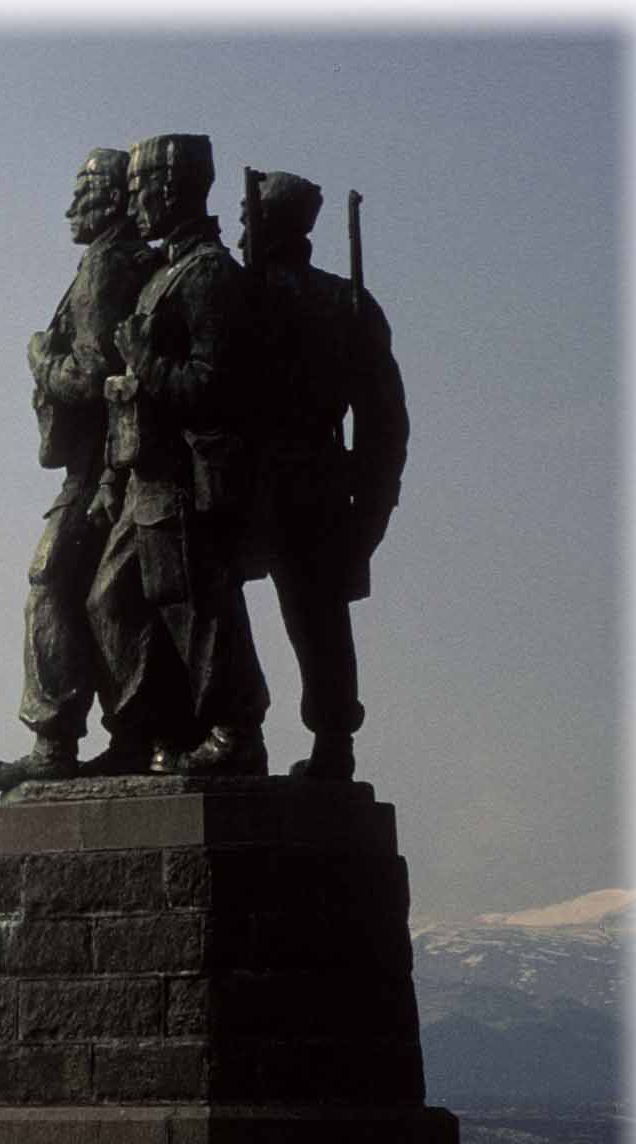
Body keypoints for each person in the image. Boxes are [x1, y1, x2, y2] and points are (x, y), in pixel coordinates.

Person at [84, 132, 272, 775]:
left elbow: (214, 383)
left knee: (196, 606)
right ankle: (145, 733)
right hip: (146, 472)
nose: (133, 203)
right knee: (111, 600)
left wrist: (144, 364)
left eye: (140, 189)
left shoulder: (210, 275)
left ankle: (233, 730)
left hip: (189, 475)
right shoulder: (167, 272)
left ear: (172, 189)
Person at [0, 148, 154, 791]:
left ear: (110, 199)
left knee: (53, 581)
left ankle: (55, 742)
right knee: (108, 597)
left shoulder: (107, 265)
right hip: (114, 462)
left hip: (101, 464)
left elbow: (91, 372)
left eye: (81, 194)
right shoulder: (129, 260)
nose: (70, 208)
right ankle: (125, 734)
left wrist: (40, 359)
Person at [242, 170, 408, 781]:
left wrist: (371, 509)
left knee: (310, 616)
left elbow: (382, 421)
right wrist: (372, 507)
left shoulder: (252, 296)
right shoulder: (339, 301)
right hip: (289, 479)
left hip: (276, 479)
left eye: (249, 219)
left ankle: (324, 739)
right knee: (313, 619)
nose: (240, 231)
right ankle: (322, 738)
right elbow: (386, 428)